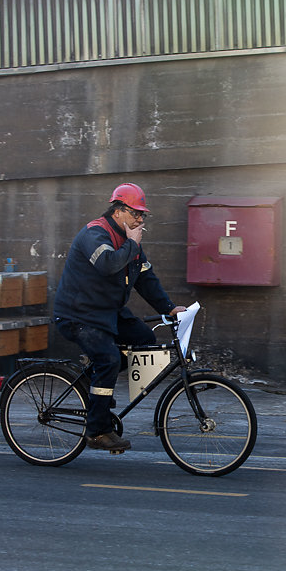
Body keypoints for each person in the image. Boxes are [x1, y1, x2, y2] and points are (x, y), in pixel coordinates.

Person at [53, 183, 186, 452]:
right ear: (118, 211)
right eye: (135, 213)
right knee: (109, 359)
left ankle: (92, 385)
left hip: (106, 312)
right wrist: (132, 245)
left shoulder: (130, 243)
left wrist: (170, 307)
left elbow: (146, 279)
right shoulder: (95, 234)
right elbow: (107, 264)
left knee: (145, 340)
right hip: (78, 314)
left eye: (142, 215)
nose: (140, 219)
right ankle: (97, 431)